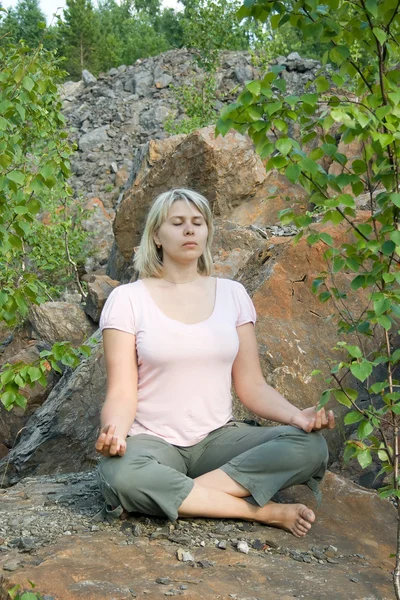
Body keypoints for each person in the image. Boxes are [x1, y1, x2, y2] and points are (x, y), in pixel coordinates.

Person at [95, 188, 335, 538]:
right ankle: (261, 512)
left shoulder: (232, 294)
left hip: (218, 442)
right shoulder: (128, 299)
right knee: (121, 474)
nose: (189, 230)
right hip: (153, 442)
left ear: (207, 232)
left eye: (198, 222)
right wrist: (113, 431)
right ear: (157, 237)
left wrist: (296, 416)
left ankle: (178, 494)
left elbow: (252, 385)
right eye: (177, 223)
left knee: (311, 446)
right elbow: (120, 391)